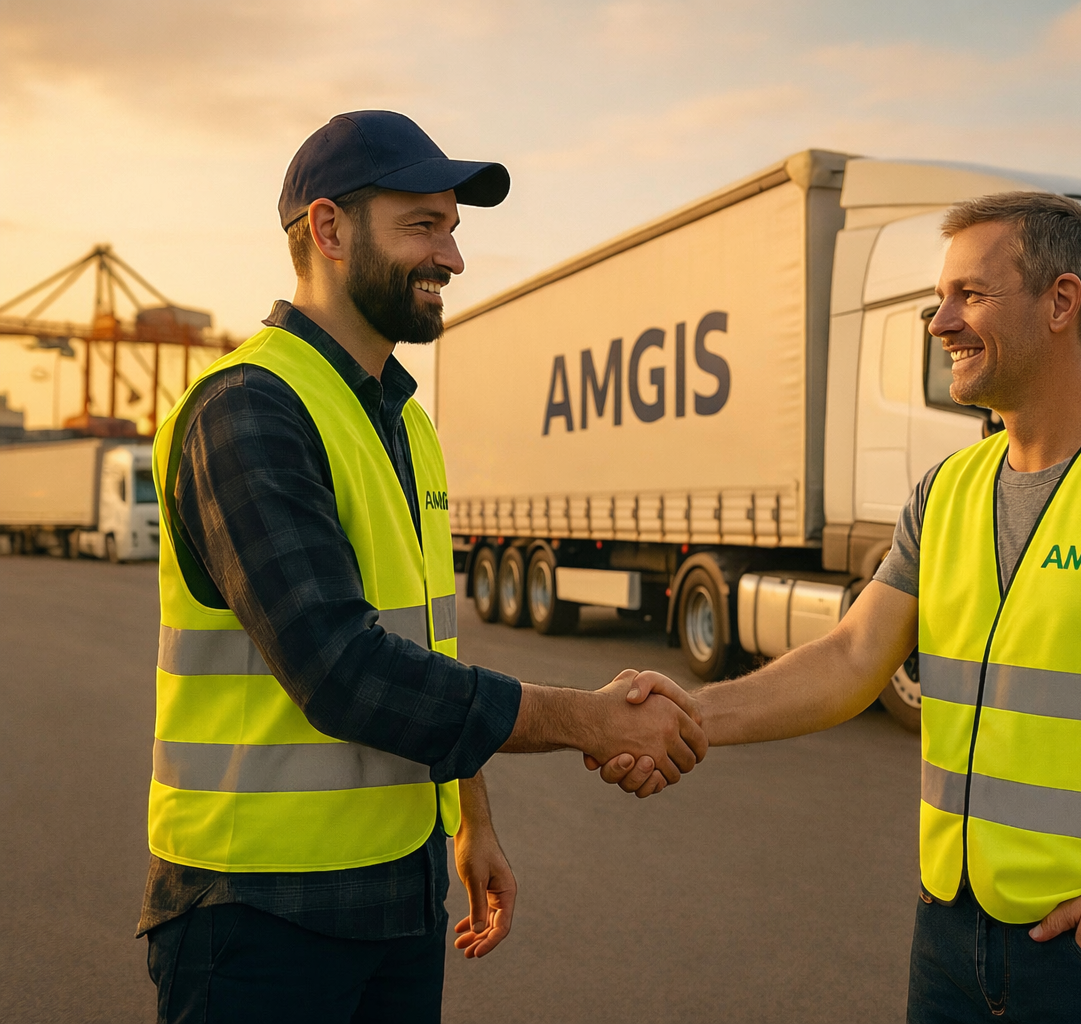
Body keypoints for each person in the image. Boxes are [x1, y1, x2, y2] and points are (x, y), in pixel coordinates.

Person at [606, 192, 1081, 1023]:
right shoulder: (947, 490)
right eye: (938, 299)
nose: (939, 321)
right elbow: (852, 659)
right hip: (951, 942)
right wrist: (689, 713)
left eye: (969, 295)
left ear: (1061, 302)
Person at [141, 110, 703, 1023]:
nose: (452, 257)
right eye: (423, 226)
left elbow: (422, 647)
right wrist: (587, 721)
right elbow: (343, 668)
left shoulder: (404, 425)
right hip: (258, 915)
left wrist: (471, 817)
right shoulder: (249, 409)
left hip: (396, 896)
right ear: (328, 231)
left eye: (453, 227)